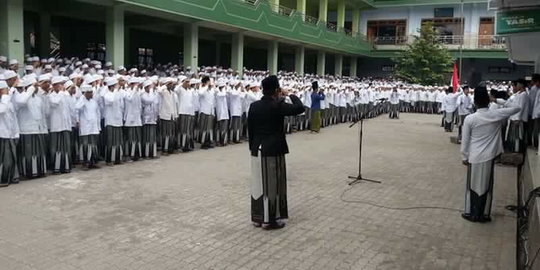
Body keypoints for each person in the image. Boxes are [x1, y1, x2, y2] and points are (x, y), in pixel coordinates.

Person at [247, 75, 305, 230]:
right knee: (272, 184)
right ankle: (270, 220)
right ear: (276, 90)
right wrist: (290, 94)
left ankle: (258, 217)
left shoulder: (254, 106)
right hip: (273, 149)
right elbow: (300, 108)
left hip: (257, 149)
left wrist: (252, 148)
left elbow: (250, 130)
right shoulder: (278, 105)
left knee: (258, 185)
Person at [460, 87, 520, 222]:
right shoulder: (496, 114)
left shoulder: (470, 118)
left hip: (474, 157)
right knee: (486, 185)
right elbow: (517, 107)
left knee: (473, 185)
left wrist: (464, 156)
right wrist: (497, 100)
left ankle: (472, 213)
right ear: (488, 101)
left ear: (475, 102)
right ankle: (484, 214)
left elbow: (465, 141)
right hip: (489, 157)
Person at [48, 76, 73, 174]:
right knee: (56, 147)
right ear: (54, 86)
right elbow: (55, 103)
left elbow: (68, 109)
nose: (62, 86)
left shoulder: (64, 95)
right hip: (56, 126)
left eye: (62, 84)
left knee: (65, 147)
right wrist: (62, 92)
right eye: (60, 84)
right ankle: (56, 167)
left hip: (65, 125)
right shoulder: (51, 96)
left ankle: (66, 166)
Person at [76, 85, 101, 169]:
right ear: (85, 93)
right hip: (85, 127)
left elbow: (98, 114)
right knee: (85, 144)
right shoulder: (81, 101)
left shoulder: (94, 102)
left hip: (94, 126)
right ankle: (85, 163)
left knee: (93, 144)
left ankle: (93, 162)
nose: (91, 94)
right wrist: (83, 97)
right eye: (89, 93)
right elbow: (77, 108)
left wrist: (98, 126)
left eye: (91, 92)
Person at [0, 80, 19, 187]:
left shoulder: (7, 102)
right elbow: (2, 110)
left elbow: (13, 119)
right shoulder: (4, 101)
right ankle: (2, 179)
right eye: (5, 90)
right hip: (1, 135)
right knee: (3, 159)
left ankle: (10, 177)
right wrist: (5, 96)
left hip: (9, 135)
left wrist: (15, 134)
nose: (7, 92)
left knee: (10, 158)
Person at [505, 79, 529, 153]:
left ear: (521, 85)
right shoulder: (519, 94)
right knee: (513, 136)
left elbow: (520, 107)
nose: (517, 86)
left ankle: (516, 151)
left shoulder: (524, 94)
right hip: (513, 117)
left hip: (518, 119)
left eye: (518, 84)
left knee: (517, 137)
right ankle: (512, 150)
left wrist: (518, 119)